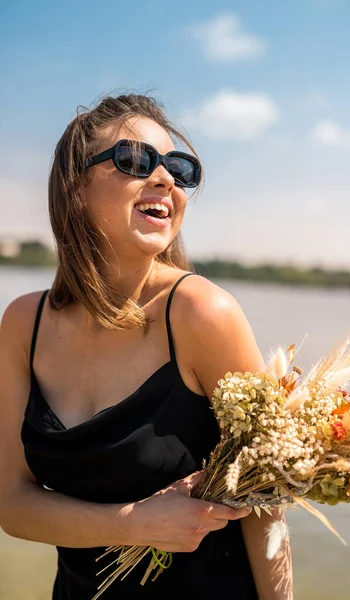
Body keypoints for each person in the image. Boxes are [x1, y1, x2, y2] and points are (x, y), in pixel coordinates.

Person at [0, 93, 293, 599]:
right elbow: (11, 503)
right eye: (135, 160)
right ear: (74, 186)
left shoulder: (202, 313)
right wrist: (134, 524)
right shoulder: (23, 323)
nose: (165, 180)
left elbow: (267, 510)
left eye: (179, 169)